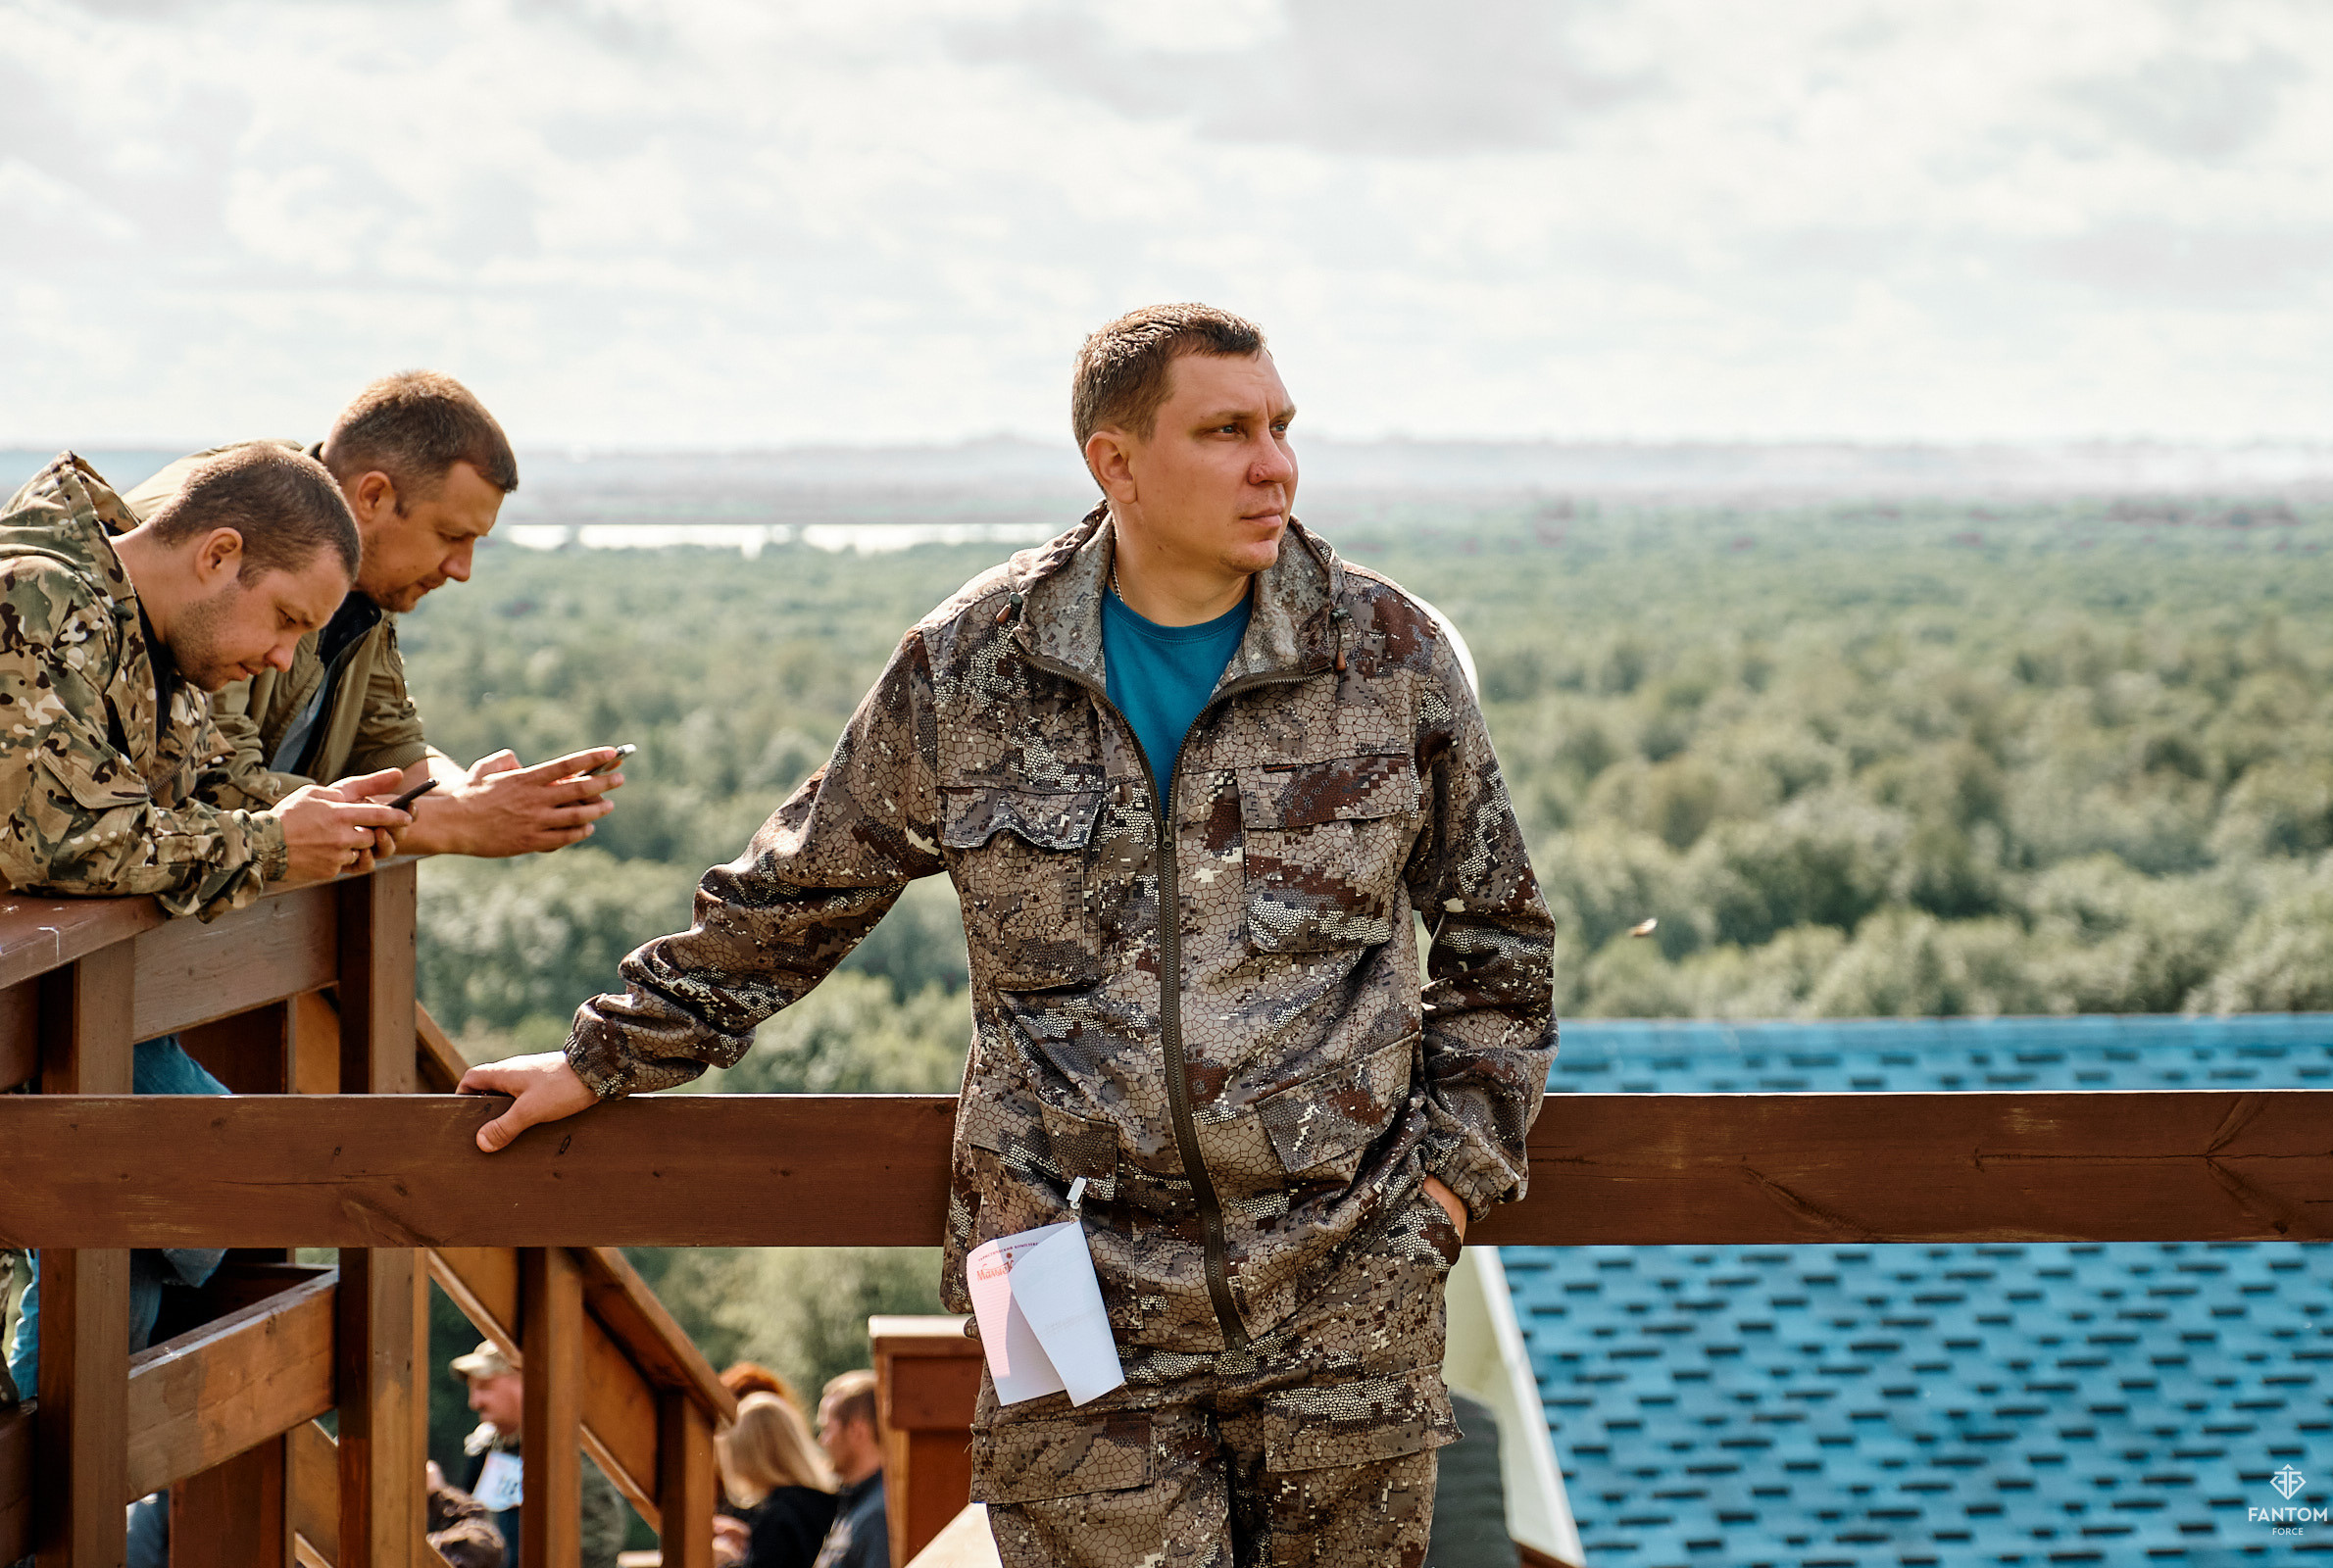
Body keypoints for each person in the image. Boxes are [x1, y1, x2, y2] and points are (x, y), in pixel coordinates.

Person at [459, 304, 1558, 1566]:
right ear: (1115, 461)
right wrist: (603, 1054)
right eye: (1227, 431)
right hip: (1059, 1275)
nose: (1275, 465)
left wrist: (1439, 1199)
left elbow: (1500, 947)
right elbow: (798, 894)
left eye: (1280, 426)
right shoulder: (973, 665)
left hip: (1344, 1285)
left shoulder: (1389, 658)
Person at [0, 445, 417, 1400]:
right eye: (288, 620)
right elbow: (57, 841)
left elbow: (214, 787)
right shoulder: (33, 598)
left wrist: (326, 819)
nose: (282, 658)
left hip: (54, 1025)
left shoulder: (160, 642)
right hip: (28, 1016)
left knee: (148, 1237)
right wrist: (271, 845)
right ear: (219, 553)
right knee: (218, 1174)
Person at [122, 370, 628, 858]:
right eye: (451, 536)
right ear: (373, 496)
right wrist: (454, 821)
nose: (462, 569)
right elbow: (212, 784)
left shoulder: (363, 567)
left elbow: (385, 740)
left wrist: (467, 793)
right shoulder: (242, 530)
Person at [449, 1340, 632, 1568]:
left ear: (524, 1381)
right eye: (472, 1389)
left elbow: (597, 1541)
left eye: (485, 1387)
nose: (474, 1403)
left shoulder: (570, 1449)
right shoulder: (484, 1447)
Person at [712, 1392, 839, 1568]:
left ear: (746, 1453)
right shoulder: (825, 1502)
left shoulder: (778, 1519)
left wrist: (726, 1561)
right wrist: (751, 1538)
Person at [811, 1372, 888, 1568]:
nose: (822, 1441)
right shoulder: (859, 1503)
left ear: (857, 1430)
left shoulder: (878, 1516)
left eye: (826, 1429)